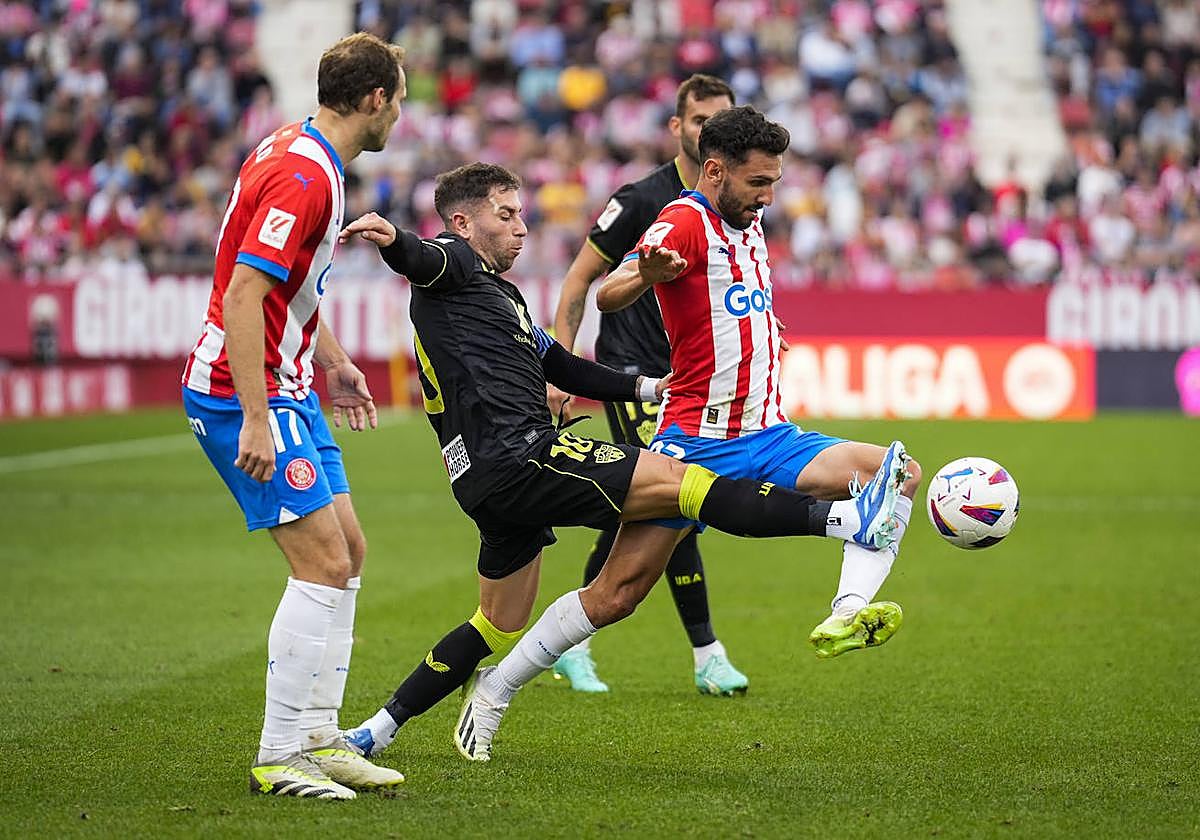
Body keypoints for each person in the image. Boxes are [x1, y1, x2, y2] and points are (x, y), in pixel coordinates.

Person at [339, 162, 909, 763]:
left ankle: (375, 730)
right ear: (461, 222)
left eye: (521, 215)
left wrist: (647, 389)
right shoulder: (452, 264)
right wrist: (395, 241)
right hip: (524, 456)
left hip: (483, 479)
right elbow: (425, 258)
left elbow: (560, 365)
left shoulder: (498, 295)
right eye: (505, 215)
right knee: (685, 484)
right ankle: (843, 521)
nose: (521, 229)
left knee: (498, 621)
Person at [181, 33, 408, 800]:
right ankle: (280, 755)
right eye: (400, 99)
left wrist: (333, 355)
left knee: (349, 548)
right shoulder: (305, 177)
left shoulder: (305, 151)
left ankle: (319, 735)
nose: (401, 114)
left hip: (291, 382)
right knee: (320, 563)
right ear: (375, 99)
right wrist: (252, 415)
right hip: (244, 391)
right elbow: (246, 294)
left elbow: (292, 283)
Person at [548, 74, 747, 696]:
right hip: (637, 377)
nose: (708, 131)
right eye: (699, 120)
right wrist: (558, 370)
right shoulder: (641, 200)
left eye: (721, 120)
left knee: (639, 510)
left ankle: (569, 641)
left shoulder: (736, 204)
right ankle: (707, 654)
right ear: (677, 128)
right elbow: (581, 281)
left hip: (695, 380)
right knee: (675, 499)